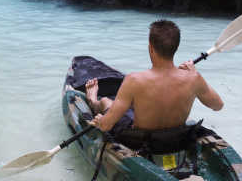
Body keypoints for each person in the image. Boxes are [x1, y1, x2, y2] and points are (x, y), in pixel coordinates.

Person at [87, 19, 223, 133]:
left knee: (106, 101)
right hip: (176, 141)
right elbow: (218, 106)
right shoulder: (194, 78)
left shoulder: (134, 80)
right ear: (176, 47)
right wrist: (195, 75)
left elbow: (106, 126)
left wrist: (100, 121)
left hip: (143, 143)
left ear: (151, 48)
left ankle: (93, 100)